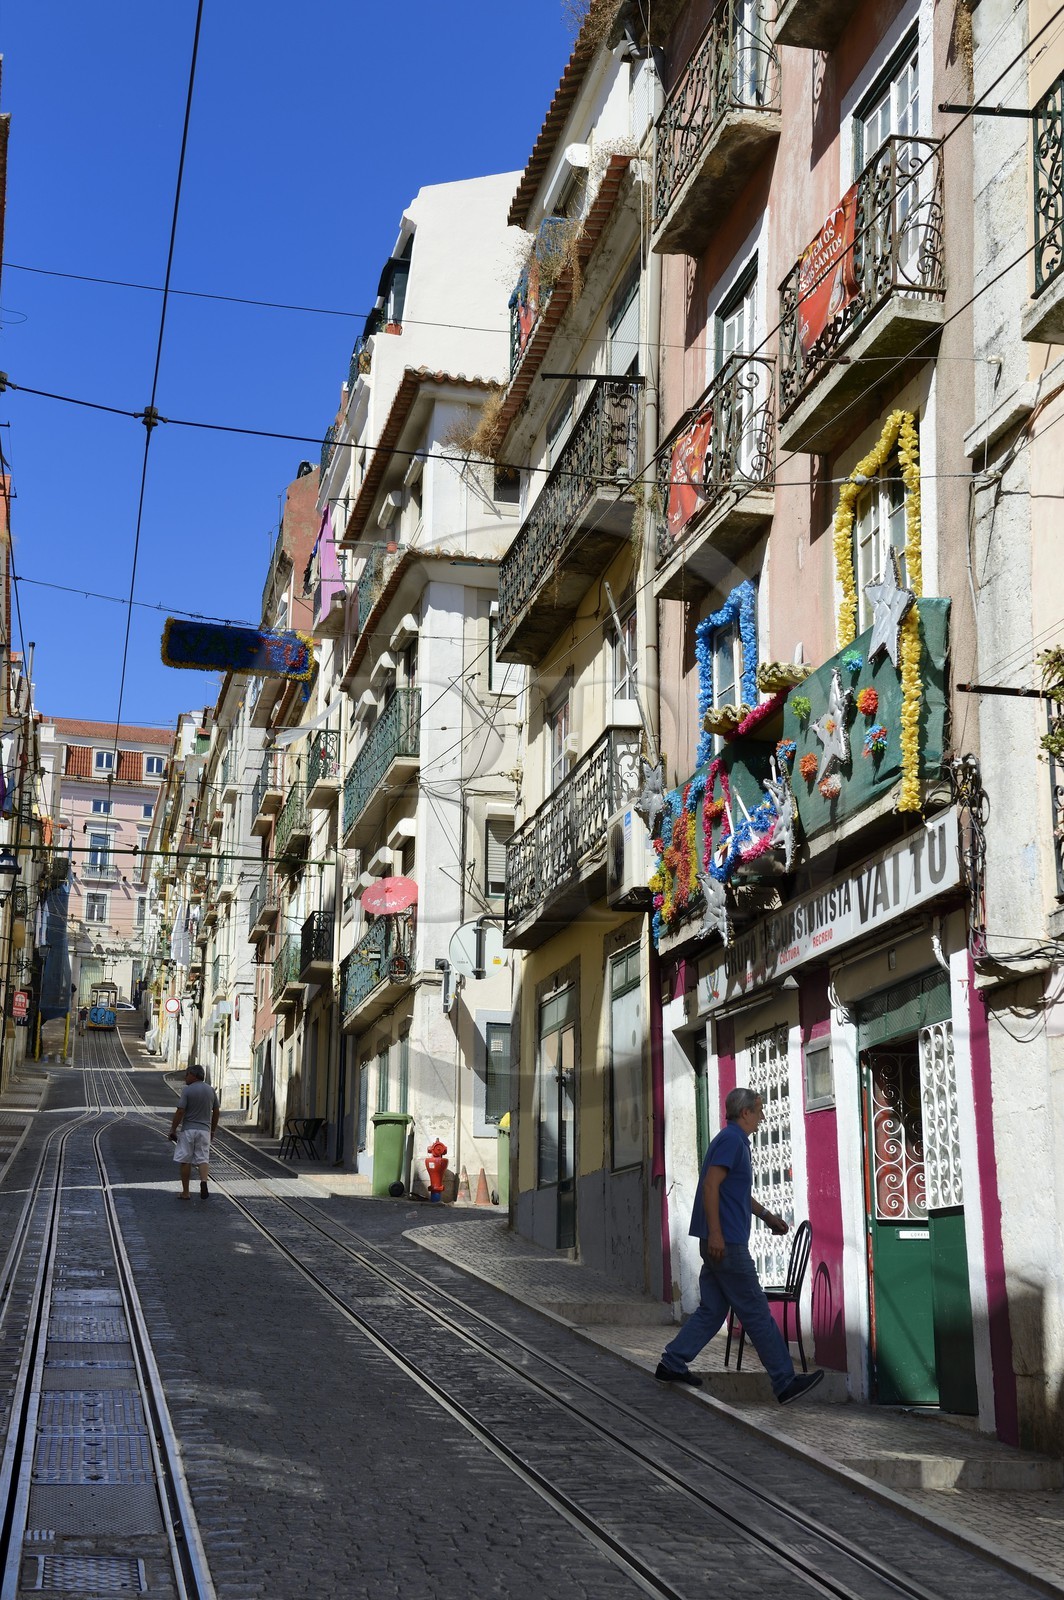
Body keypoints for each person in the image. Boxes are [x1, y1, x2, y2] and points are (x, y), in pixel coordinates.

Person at [656, 1086, 824, 1405]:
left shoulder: (732, 1141)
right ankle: (784, 1382)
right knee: (756, 1311)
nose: (762, 1116)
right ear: (745, 1113)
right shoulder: (732, 1140)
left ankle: (672, 1362)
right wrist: (717, 1234)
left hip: (720, 1240)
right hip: (727, 1243)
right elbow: (711, 1186)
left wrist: (767, 1216)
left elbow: (734, 1191)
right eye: (759, 1110)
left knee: (713, 1309)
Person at [168, 1064, 220, 1200]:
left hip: (188, 1130)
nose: (185, 1077)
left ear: (194, 1075)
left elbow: (180, 1111)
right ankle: (203, 1182)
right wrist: (212, 1130)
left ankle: (186, 1192)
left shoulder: (187, 1090)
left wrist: (173, 1129)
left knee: (185, 1160)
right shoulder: (210, 1090)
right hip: (204, 1131)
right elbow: (216, 1112)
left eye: (187, 1074)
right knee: (203, 1159)